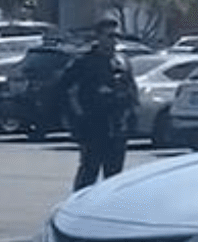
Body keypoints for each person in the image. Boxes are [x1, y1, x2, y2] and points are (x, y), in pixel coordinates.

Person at [53, 17, 139, 191]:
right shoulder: (84, 62)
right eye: (109, 35)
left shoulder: (122, 61)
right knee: (88, 172)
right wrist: (76, 117)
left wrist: (130, 115)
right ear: (98, 37)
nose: (114, 40)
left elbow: (132, 90)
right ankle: (78, 208)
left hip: (117, 127)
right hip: (93, 125)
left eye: (116, 35)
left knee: (115, 178)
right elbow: (63, 89)